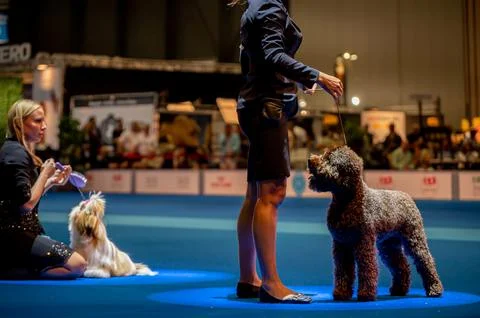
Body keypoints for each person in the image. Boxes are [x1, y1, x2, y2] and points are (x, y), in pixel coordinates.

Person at [230, 0, 343, 303]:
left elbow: (253, 60)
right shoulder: (268, 5)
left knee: (255, 195)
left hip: (254, 101)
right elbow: (272, 54)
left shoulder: (254, 6)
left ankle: (248, 279)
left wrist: (291, 77)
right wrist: (317, 75)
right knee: (273, 192)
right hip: (267, 106)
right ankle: (271, 283)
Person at [0, 99, 87, 279]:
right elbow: (25, 205)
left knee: (76, 262)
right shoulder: (16, 153)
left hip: (21, 232)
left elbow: (20, 197)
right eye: (38, 121)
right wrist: (44, 175)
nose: (44, 126)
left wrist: (51, 182)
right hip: (14, 235)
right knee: (78, 266)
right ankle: (11, 270)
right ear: (19, 123)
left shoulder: (15, 150)